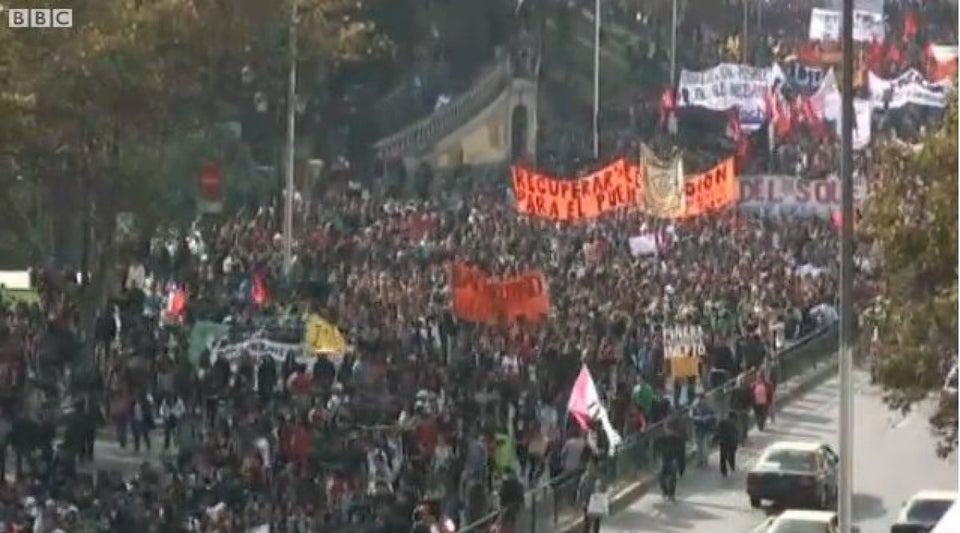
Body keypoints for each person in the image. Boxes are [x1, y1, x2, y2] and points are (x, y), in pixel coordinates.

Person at [690, 394, 717, 467]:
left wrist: (705, 418)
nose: (702, 401)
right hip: (699, 428)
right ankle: (700, 461)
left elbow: (713, 416)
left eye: (703, 399)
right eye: (701, 399)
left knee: (704, 446)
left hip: (706, 429)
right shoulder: (696, 407)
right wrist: (696, 418)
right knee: (699, 446)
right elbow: (692, 416)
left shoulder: (708, 408)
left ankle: (704, 461)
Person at [715, 411, 738, 477]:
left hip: (724, 441)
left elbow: (718, 430)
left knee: (723, 457)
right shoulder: (735, 423)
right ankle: (732, 467)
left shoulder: (723, 422)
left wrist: (716, 439)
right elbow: (736, 433)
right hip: (732, 442)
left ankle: (723, 471)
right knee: (732, 455)